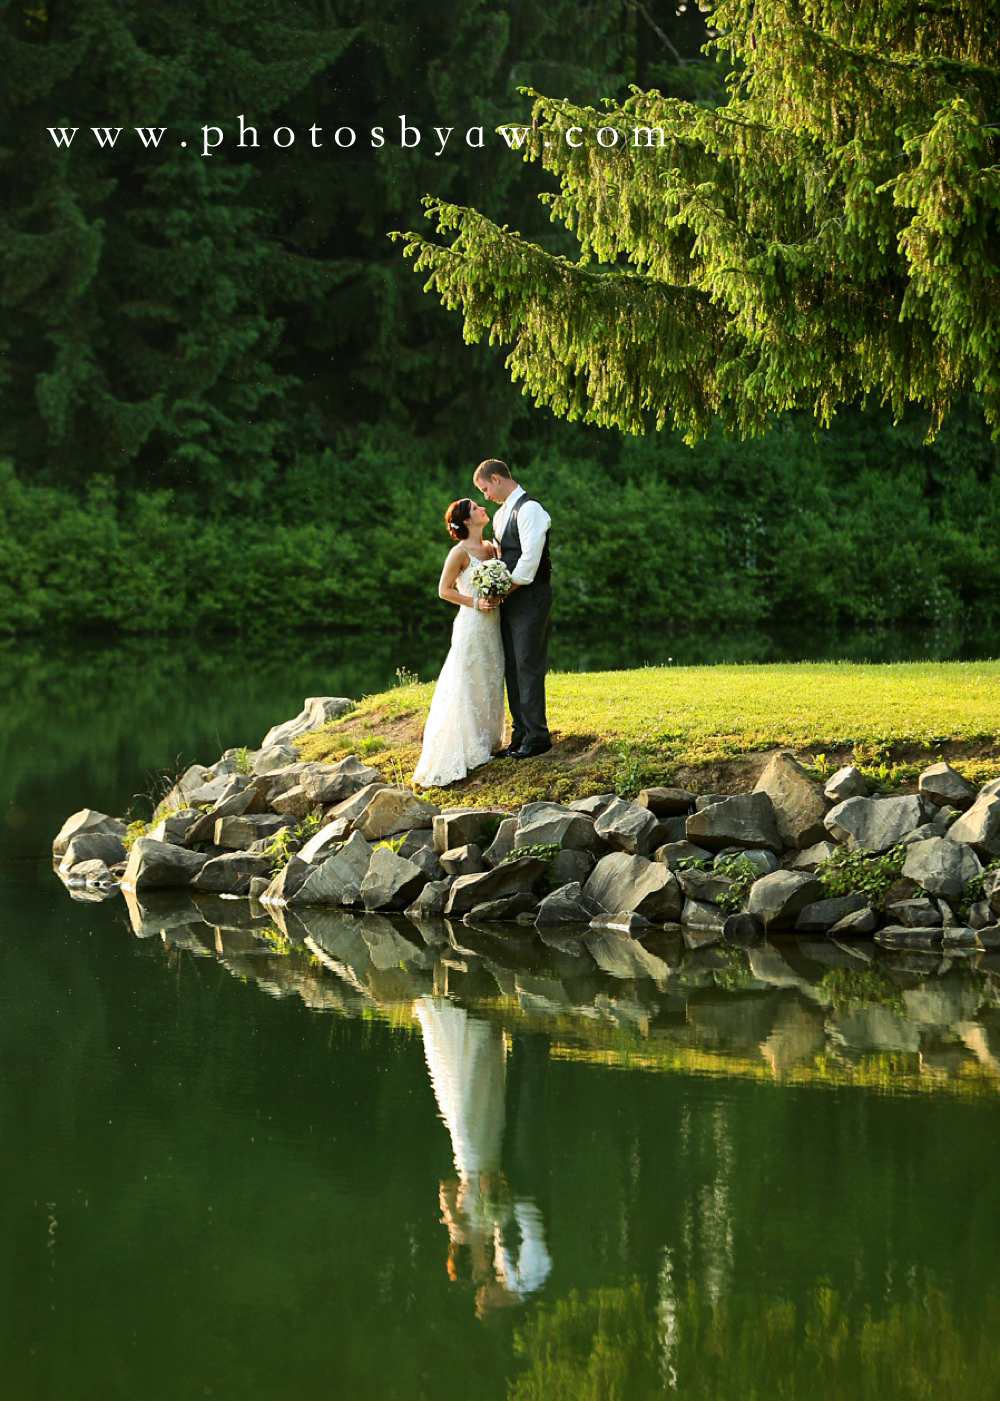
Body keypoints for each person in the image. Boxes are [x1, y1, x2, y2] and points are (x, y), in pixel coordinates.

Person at [411, 497, 505, 789]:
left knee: (490, 677)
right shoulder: (459, 552)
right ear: (466, 520)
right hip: (472, 624)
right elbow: (444, 590)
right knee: (467, 680)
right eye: (477, 508)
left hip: (494, 625)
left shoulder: (492, 547)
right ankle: (467, 746)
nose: (483, 509)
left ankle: (489, 741)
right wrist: (475, 601)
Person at [473, 459, 553, 759]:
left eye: (485, 489)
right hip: (511, 598)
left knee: (527, 665)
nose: (485, 497)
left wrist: (503, 589)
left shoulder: (529, 509)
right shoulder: (500, 514)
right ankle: (521, 735)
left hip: (531, 596)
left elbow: (529, 562)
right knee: (512, 666)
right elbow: (500, 557)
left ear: (496, 478)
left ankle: (537, 737)